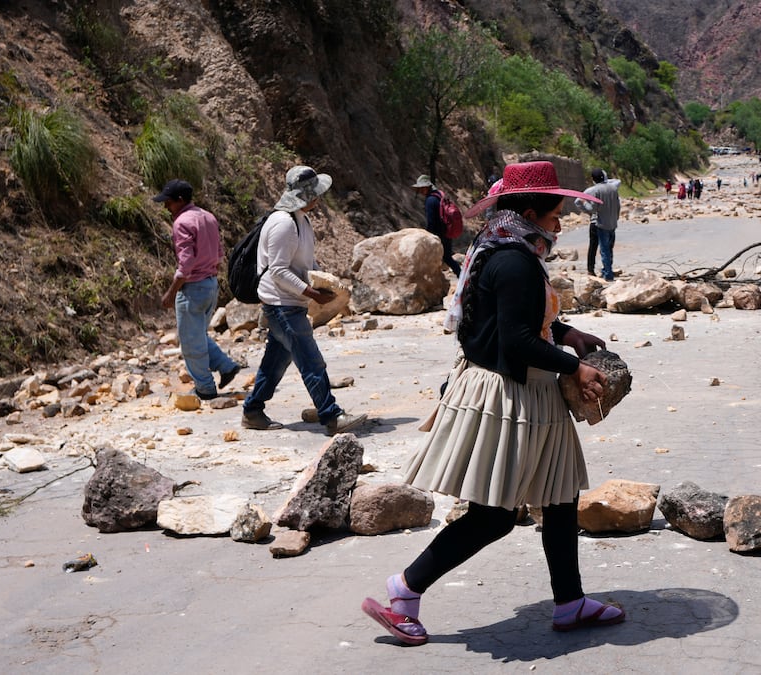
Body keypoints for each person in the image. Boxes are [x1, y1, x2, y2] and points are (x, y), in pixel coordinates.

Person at [361, 160, 625, 645]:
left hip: (521, 390)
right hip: (513, 397)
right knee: (496, 513)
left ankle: (569, 602)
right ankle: (404, 590)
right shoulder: (515, 261)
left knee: (561, 498)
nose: (560, 221)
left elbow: (508, 322)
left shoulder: (499, 247)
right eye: (555, 212)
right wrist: (576, 367)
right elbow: (517, 341)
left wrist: (569, 334)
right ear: (530, 209)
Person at [241, 166, 367, 435]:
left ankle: (252, 411)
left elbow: (305, 263)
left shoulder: (300, 220)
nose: (318, 199)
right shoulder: (284, 223)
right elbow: (278, 270)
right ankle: (331, 415)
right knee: (311, 360)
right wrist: (312, 294)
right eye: (316, 194)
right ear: (306, 195)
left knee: (275, 362)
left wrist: (324, 283)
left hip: (288, 302)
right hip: (281, 305)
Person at [154, 179, 241, 401]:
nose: (166, 207)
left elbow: (186, 263)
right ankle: (226, 366)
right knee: (198, 335)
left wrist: (171, 292)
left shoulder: (182, 222)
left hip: (193, 287)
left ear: (180, 200)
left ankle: (205, 388)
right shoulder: (208, 216)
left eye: (169, 202)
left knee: (190, 342)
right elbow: (219, 253)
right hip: (211, 284)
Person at [576, 168, 622, 281]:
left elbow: (591, 208)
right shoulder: (613, 188)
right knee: (609, 249)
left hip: (600, 224)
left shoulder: (594, 190)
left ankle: (606, 273)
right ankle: (607, 269)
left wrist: (585, 206)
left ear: (593, 179)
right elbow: (618, 205)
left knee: (601, 249)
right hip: (612, 223)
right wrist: (616, 218)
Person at [412, 175, 463, 276]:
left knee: (440, 258)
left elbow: (431, 221)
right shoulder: (439, 195)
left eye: (422, 188)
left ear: (427, 187)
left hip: (439, 234)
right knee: (447, 257)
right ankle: (461, 275)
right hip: (447, 230)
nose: (421, 191)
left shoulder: (430, 200)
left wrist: (428, 234)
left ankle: (460, 276)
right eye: (420, 189)